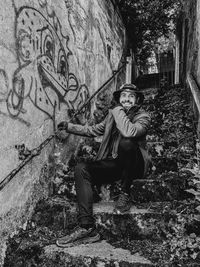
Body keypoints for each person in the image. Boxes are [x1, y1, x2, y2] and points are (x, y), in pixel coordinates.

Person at [56, 83, 151, 247]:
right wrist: (70, 127)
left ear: (137, 100)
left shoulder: (143, 117)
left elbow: (129, 132)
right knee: (81, 169)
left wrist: (117, 110)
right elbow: (92, 130)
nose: (126, 98)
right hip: (117, 164)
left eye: (131, 96)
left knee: (127, 143)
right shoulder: (112, 116)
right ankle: (87, 227)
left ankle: (125, 193)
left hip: (135, 166)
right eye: (123, 96)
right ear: (119, 99)